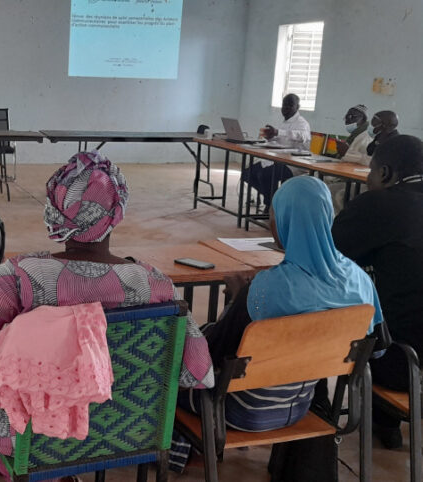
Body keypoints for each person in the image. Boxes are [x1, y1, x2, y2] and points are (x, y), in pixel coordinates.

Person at [0, 151, 214, 479]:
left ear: (54, 212)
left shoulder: (21, 278)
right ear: (116, 213)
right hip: (124, 428)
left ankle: (29, 463)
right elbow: (197, 373)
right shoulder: (155, 284)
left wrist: (14, 373)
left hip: (34, 431)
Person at [170, 176, 384, 473]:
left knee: (170, 359)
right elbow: (377, 348)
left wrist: (237, 301)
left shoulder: (265, 290)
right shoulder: (358, 279)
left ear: (283, 224)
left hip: (239, 412)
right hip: (303, 406)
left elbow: (210, 354)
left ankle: (177, 454)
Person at [332, 134, 423, 449]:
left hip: (401, 365)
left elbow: (329, 255)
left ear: (385, 173)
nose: (368, 180)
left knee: (321, 320)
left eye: (371, 172)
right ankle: (388, 423)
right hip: (414, 363)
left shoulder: (380, 204)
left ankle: (315, 420)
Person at [244, 93, 311, 210]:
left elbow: (302, 136)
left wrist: (277, 132)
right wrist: (271, 137)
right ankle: (275, 200)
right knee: (247, 174)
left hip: (294, 163)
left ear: (297, 107)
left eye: (290, 105)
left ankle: (271, 206)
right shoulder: (285, 122)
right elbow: (282, 140)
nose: (286, 108)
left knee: (266, 174)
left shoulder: (302, 123)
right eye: (284, 105)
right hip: (278, 159)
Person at [326, 104, 372, 212]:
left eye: (353, 117)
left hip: (355, 178)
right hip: (344, 172)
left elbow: (364, 161)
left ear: (363, 119)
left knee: (325, 189)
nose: (348, 120)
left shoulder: (366, 137)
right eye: (347, 117)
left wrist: (346, 153)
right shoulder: (355, 135)